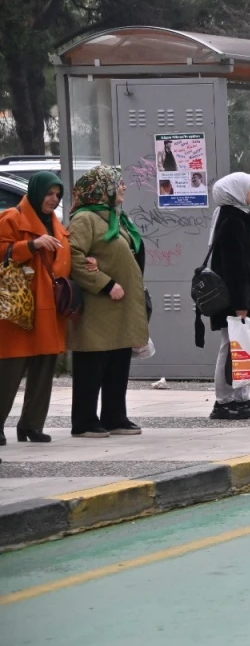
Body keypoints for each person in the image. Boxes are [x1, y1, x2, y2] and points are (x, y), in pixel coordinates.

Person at [67, 166, 149, 437]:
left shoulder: (116, 218)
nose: (123, 187)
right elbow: (74, 257)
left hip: (119, 307)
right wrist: (106, 283)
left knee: (117, 361)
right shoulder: (86, 219)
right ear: (101, 189)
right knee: (92, 363)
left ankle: (115, 416)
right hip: (98, 307)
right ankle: (84, 421)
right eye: (117, 183)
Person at [0, 172, 71, 445]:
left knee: (44, 366)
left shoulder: (56, 224)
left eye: (57, 195)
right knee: (9, 369)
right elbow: (2, 250)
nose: (53, 199)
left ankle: (31, 425)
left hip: (48, 306)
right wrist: (31, 244)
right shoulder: (12, 218)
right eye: (49, 193)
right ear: (36, 192)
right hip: (19, 307)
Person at [203, 173, 250, 421]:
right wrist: (242, 303)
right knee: (230, 347)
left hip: (244, 296)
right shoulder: (231, 220)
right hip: (235, 299)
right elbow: (235, 267)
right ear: (236, 191)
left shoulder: (239, 216)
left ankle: (242, 397)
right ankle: (224, 400)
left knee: (242, 346)